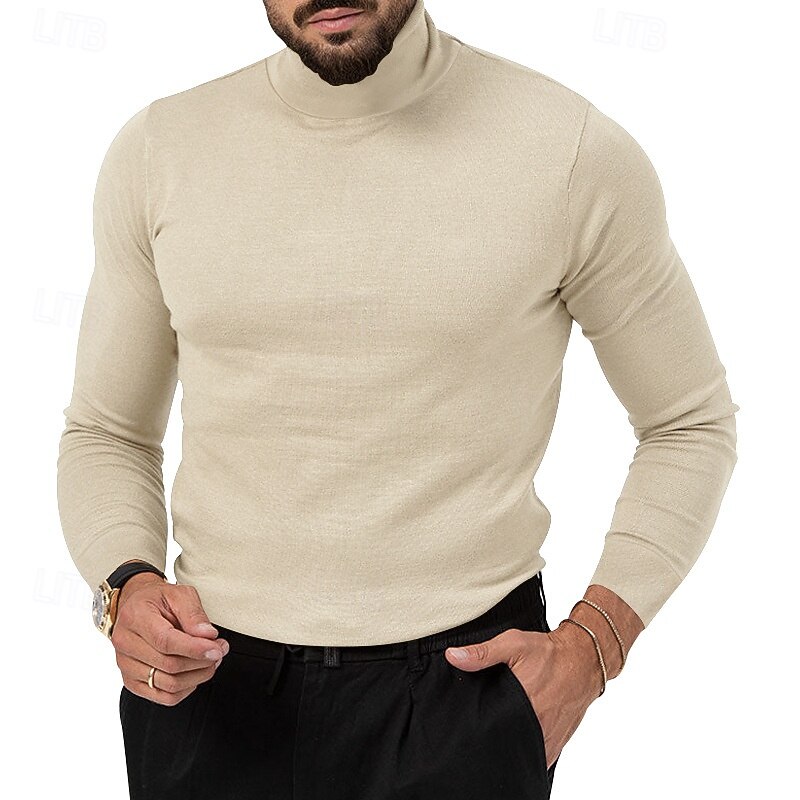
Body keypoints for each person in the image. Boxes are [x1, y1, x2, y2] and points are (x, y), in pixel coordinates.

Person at [56, 1, 740, 798]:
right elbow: (107, 431)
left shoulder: (568, 151)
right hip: (208, 690)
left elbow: (688, 421)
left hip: (467, 691)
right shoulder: (161, 151)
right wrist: (128, 587)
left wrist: (594, 646)